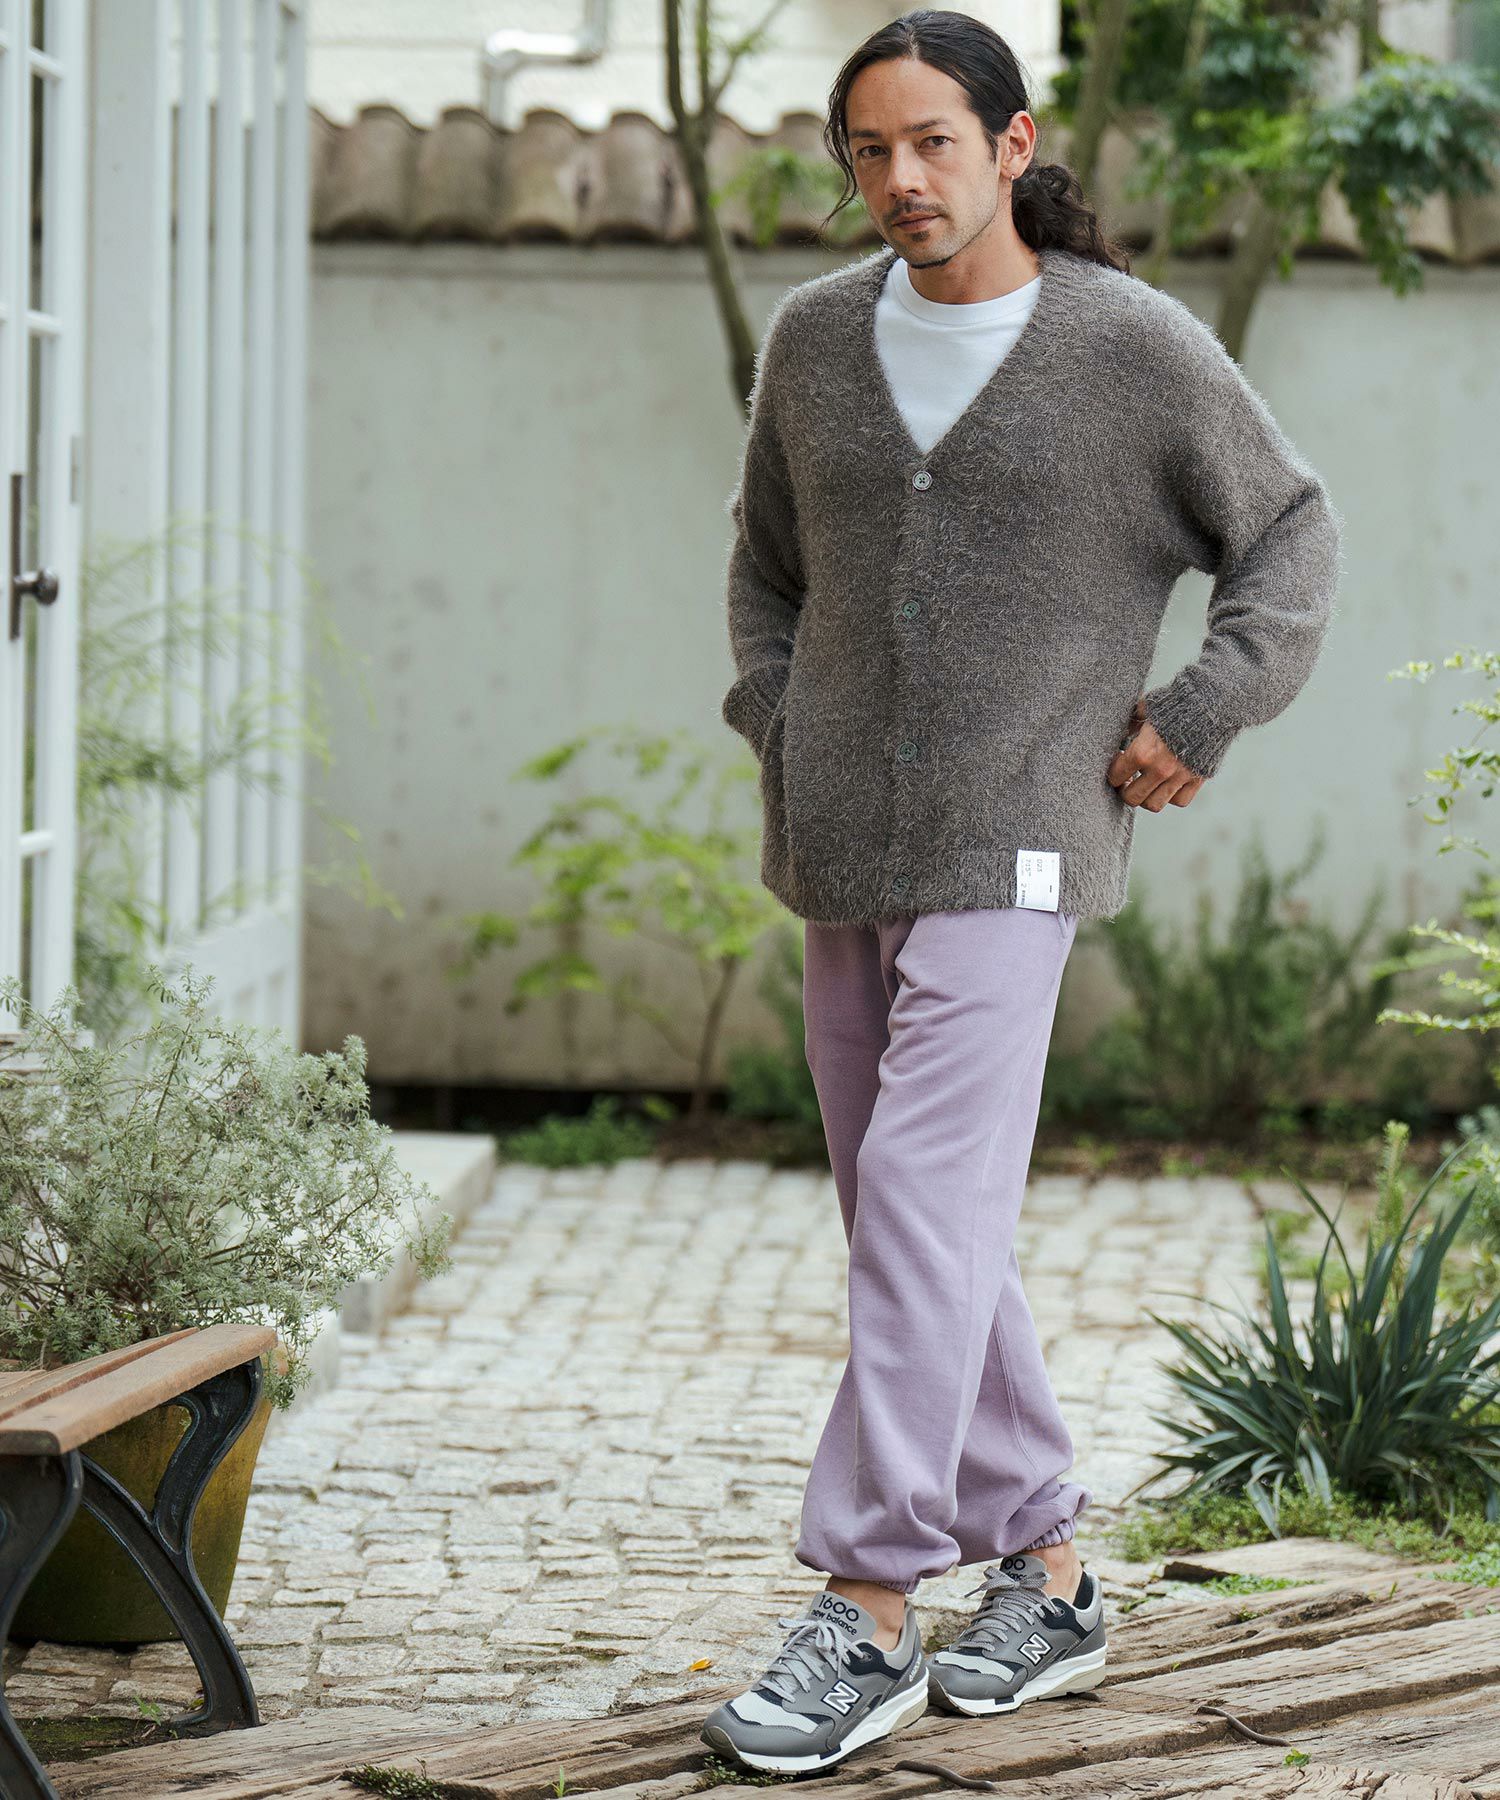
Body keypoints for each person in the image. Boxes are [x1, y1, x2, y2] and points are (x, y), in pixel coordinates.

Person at [700, 7, 1343, 1776]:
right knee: (914, 1220)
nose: (900, 178)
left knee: (922, 1198)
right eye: (870, 149)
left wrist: (1203, 709)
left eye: (933, 142)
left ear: (1011, 143)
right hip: (842, 837)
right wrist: (778, 715)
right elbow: (764, 568)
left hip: (1023, 837)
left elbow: (1290, 532)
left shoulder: (1127, 348)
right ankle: (1049, 1569)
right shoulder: (815, 342)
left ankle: (869, 1601)